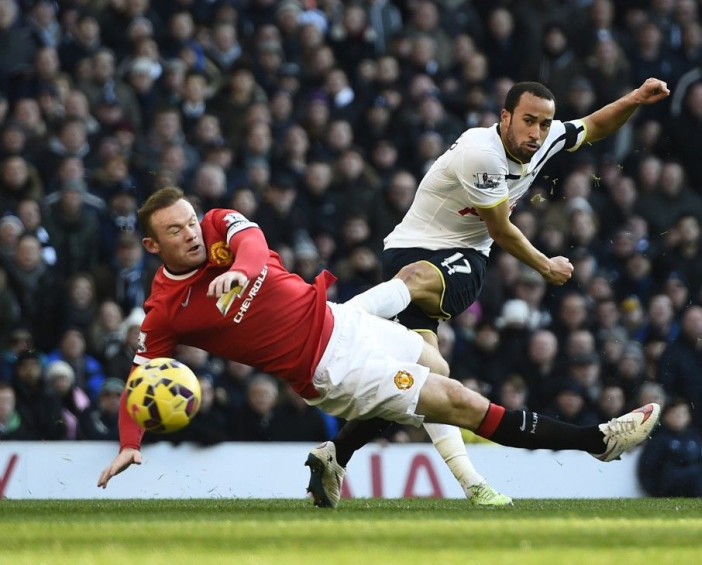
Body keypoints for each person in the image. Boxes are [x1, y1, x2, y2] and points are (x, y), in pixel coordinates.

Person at [97, 188, 661, 505]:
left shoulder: (222, 224)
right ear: (153, 244)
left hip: (341, 322)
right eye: (175, 232)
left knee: (433, 357)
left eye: (190, 222)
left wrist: (240, 274)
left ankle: (334, 456)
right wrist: (129, 440)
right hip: (328, 370)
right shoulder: (165, 309)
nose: (192, 233)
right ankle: (595, 442)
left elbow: (253, 245)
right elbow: (142, 375)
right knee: (457, 400)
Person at [323, 77, 671, 507]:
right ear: (504, 117)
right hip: (408, 252)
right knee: (426, 380)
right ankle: (338, 448)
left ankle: (329, 327)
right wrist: (545, 264)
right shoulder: (480, 154)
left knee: (419, 325)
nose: (536, 134)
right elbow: (501, 229)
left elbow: (594, 125)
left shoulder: (544, 139)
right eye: (527, 121)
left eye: (543, 124)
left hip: (464, 257)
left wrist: (635, 98)